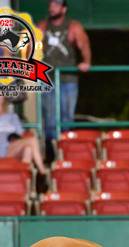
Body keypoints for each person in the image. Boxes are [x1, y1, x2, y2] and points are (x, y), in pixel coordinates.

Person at [38, 0, 91, 158]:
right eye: (51, 5)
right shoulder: (42, 25)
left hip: (68, 79)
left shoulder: (73, 26)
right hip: (47, 78)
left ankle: (67, 154)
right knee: (49, 118)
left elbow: (84, 44)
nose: (52, 8)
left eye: (56, 5)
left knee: (67, 117)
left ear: (64, 8)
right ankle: (51, 155)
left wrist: (86, 62)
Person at [0, 95, 47, 175]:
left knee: (28, 149)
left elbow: (21, 135)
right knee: (33, 140)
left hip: (15, 146)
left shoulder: (13, 117)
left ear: (3, 99)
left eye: (0, 96)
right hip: (2, 150)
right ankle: (43, 173)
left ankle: (22, 180)